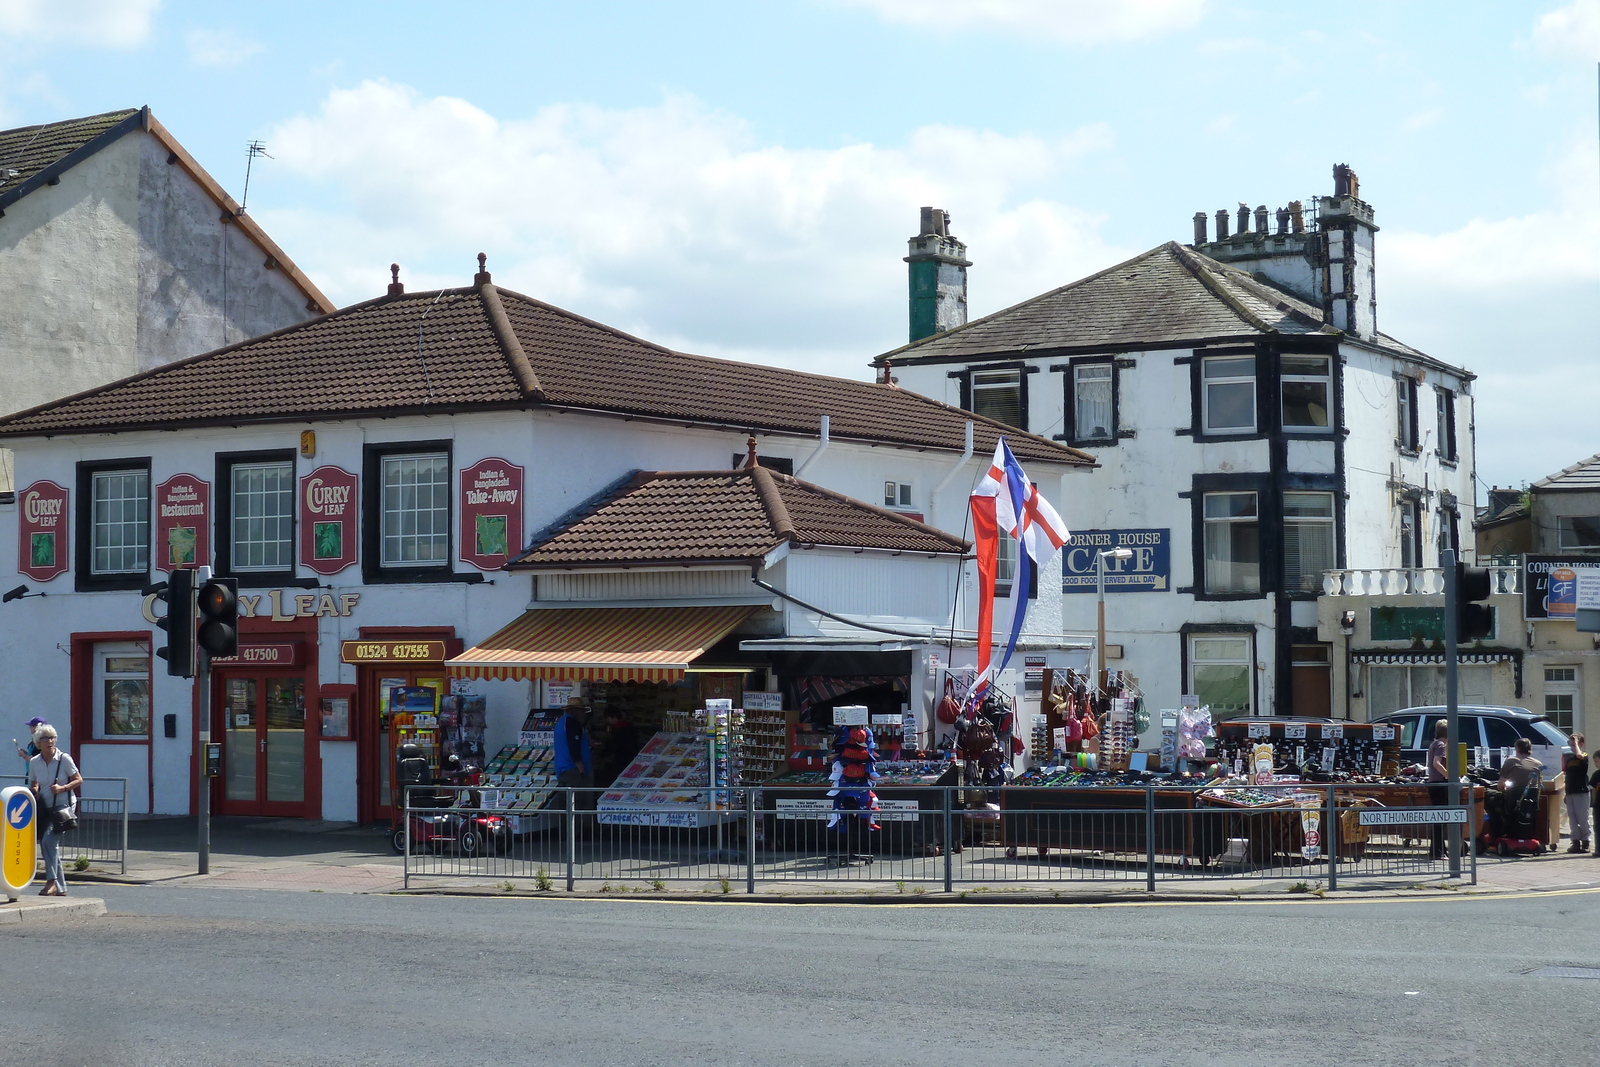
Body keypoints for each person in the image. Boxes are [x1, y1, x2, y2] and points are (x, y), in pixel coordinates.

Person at [27, 724, 82, 897]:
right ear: (38, 742)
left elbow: (78, 779)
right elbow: (34, 782)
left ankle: (51, 883)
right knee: (49, 844)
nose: (50, 741)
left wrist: (62, 788)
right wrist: (34, 790)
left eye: (52, 738)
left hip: (63, 806)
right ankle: (61, 887)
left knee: (48, 842)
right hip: (45, 808)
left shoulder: (64, 758)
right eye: (45, 738)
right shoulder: (35, 762)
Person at [552, 697, 593, 794]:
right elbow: (574, 746)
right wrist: (581, 768)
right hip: (572, 770)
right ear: (576, 711)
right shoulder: (573, 723)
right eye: (581, 711)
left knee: (566, 802)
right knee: (576, 802)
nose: (583, 714)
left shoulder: (561, 722)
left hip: (562, 768)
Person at [1560, 733, 1590, 853]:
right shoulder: (1569, 759)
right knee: (1572, 818)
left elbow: (1579, 755)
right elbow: (1567, 776)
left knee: (1582, 817)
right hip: (1571, 791)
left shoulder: (1583, 756)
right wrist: (1566, 793)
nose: (1572, 747)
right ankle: (1575, 841)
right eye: (1570, 745)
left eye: (1574, 745)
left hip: (1581, 791)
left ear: (1581, 744)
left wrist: (1576, 743)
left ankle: (1586, 840)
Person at [1427, 719, 1450, 859]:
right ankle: (1438, 852)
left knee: (1438, 819)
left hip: (1433, 783)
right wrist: (1449, 776)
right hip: (1440, 784)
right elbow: (1436, 763)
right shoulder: (1441, 745)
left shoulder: (1434, 744)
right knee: (1441, 819)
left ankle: (1438, 850)